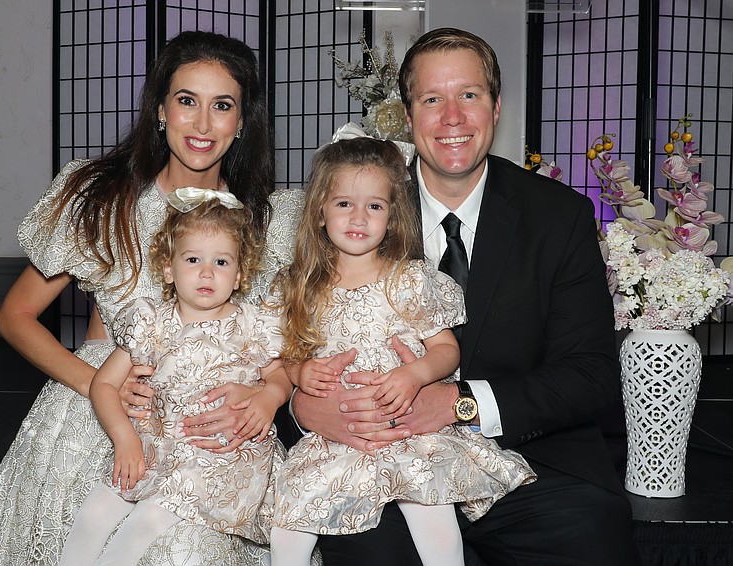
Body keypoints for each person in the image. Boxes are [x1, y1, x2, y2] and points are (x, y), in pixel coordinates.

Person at [290, 28, 642, 565]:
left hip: (527, 459)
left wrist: (458, 405)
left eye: (469, 95)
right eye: (432, 99)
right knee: (365, 544)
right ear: (407, 117)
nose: (452, 118)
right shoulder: (356, 202)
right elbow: (276, 334)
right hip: (372, 459)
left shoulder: (558, 216)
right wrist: (306, 405)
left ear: (496, 108)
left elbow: (589, 374)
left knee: (590, 530)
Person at [0, 30, 280, 565]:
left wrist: (265, 392)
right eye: (187, 101)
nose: (203, 123)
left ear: (241, 122)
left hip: (211, 439)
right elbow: (15, 315)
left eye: (223, 106)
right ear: (161, 109)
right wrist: (99, 386)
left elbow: (289, 344)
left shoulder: (269, 222)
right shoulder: (101, 198)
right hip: (99, 410)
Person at [268, 137, 535, 566]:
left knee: (434, 519)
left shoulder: (409, 281)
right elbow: (284, 353)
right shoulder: (299, 285)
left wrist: (414, 376)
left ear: (392, 217)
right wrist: (300, 372)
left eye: (374, 206)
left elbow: (447, 352)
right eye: (343, 204)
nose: (359, 217)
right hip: (337, 436)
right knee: (288, 526)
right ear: (319, 211)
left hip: (410, 431)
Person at [58, 191, 291, 566]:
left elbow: (279, 376)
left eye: (221, 262)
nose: (206, 272)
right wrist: (125, 440)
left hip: (220, 457)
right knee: (96, 508)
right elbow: (103, 384)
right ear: (168, 268)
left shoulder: (252, 325)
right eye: (193, 259)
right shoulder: (151, 320)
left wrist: (269, 396)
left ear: (240, 274)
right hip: (156, 446)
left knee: (147, 519)